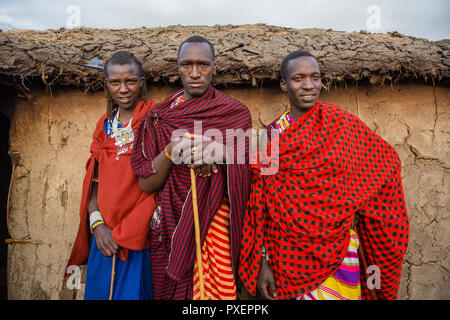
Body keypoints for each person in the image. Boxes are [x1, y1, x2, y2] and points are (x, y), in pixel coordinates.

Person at [239, 50, 409, 300]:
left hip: (340, 251)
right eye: (298, 79)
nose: (308, 85)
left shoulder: (341, 124)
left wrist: (356, 207)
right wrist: (263, 262)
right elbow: (261, 207)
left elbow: (385, 163)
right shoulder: (273, 137)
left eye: (315, 77)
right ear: (284, 85)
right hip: (286, 256)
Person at [131, 36, 252, 300]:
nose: (195, 73)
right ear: (177, 67)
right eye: (187, 65)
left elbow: (253, 171)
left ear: (215, 67)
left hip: (216, 226)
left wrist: (222, 154)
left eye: (203, 65)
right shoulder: (160, 118)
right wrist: (170, 151)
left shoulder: (234, 112)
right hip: (170, 228)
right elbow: (146, 183)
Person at [65, 50, 157, 300]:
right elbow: (94, 183)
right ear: (107, 85)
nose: (123, 89)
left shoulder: (155, 119)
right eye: (115, 82)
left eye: (130, 81)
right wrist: (97, 225)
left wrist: (128, 229)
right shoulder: (104, 125)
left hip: (140, 237)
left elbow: (161, 185)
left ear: (141, 82)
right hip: (103, 238)